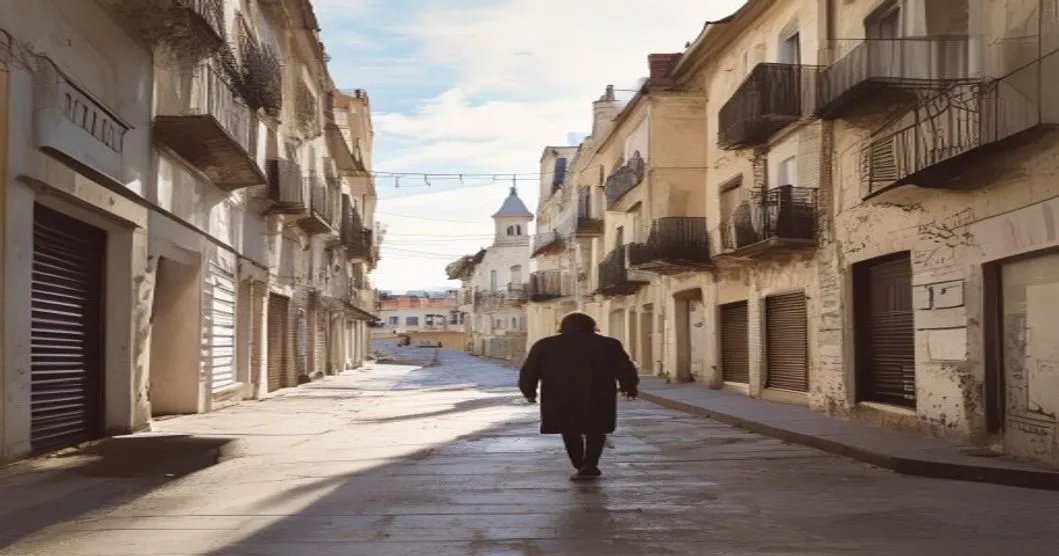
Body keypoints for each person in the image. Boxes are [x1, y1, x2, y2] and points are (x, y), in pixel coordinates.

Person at [518, 311, 639, 481]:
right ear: (591, 326)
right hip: (599, 393)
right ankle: (590, 464)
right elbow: (624, 367)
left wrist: (528, 392)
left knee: (569, 430)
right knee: (597, 429)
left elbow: (529, 371)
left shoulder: (545, 345)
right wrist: (629, 386)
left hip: (560, 395)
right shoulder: (609, 344)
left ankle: (579, 464)